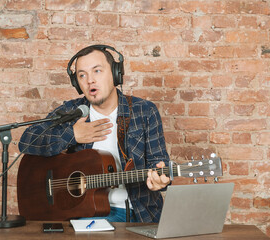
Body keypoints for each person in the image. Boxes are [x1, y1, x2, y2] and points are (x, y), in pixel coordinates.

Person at [18, 45, 171, 223]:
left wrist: (160, 181)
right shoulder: (72, 111)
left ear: (115, 74)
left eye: (97, 71)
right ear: (77, 84)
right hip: (83, 212)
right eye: (82, 75)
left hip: (136, 213)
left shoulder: (144, 111)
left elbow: (159, 164)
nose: (90, 80)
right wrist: (72, 135)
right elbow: (27, 141)